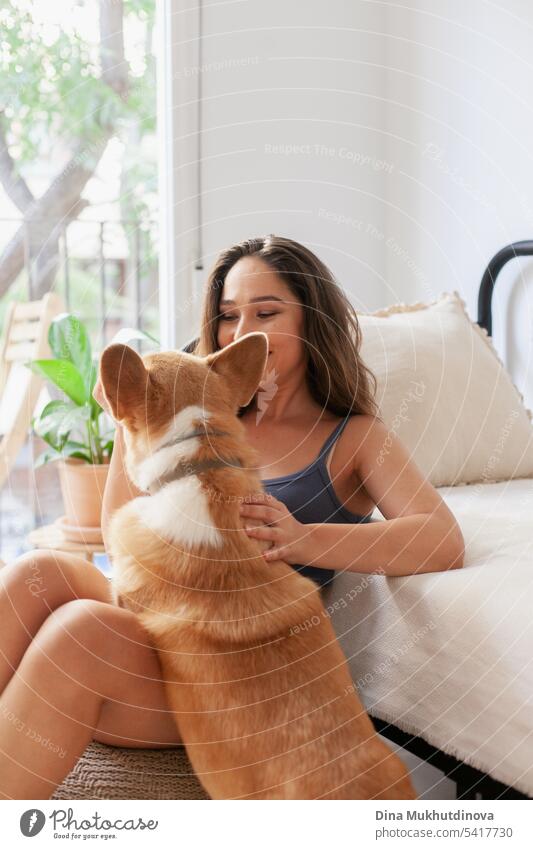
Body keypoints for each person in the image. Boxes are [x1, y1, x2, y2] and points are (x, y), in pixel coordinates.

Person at [0, 234, 464, 799]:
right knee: (38, 572)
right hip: (158, 620)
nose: (242, 331)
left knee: (80, 634)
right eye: (227, 315)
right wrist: (141, 421)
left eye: (266, 312)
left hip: (232, 681)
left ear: (310, 321)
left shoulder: (354, 438)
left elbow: (440, 540)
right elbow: (121, 535)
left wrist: (300, 537)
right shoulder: (195, 394)